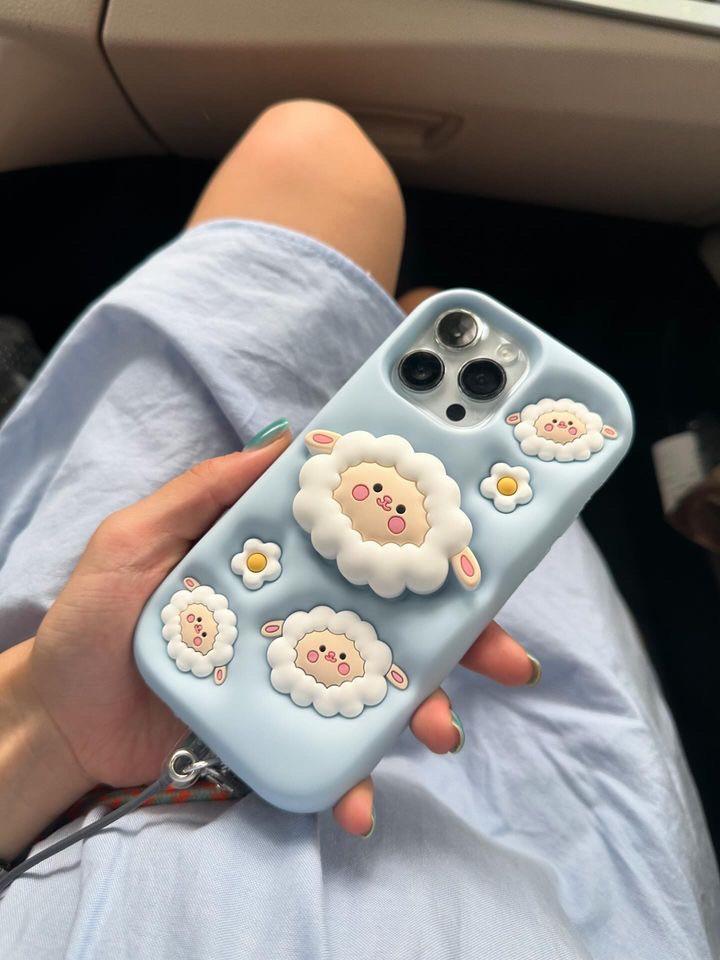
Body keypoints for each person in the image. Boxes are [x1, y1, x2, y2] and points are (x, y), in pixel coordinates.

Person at [0, 101, 717, 959]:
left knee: (314, 155)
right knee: (503, 568)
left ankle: (405, 325)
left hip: (93, 783)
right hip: (507, 854)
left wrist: (49, 724)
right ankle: (407, 317)